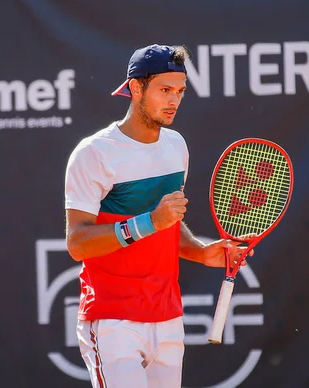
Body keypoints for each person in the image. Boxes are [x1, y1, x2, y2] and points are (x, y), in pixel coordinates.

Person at [63, 44, 254, 388]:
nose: (174, 101)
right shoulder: (93, 153)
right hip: (112, 320)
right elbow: (78, 243)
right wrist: (149, 221)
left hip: (168, 318)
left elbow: (170, 224)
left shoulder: (176, 146)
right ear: (136, 88)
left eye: (180, 91)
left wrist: (199, 250)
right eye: (164, 90)